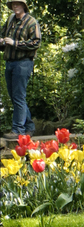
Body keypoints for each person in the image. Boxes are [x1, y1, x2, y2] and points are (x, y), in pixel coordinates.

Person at [2, 0, 39, 140]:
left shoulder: (31, 22)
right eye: (13, 4)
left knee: (18, 96)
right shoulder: (10, 19)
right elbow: (2, 35)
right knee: (15, 97)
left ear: (24, 6)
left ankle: (18, 130)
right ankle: (29, 126)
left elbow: (36, 42)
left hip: (23, 63)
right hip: (10, 62)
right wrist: (2, 41)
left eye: (18, 4)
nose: (15, 6)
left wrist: (15, 43)